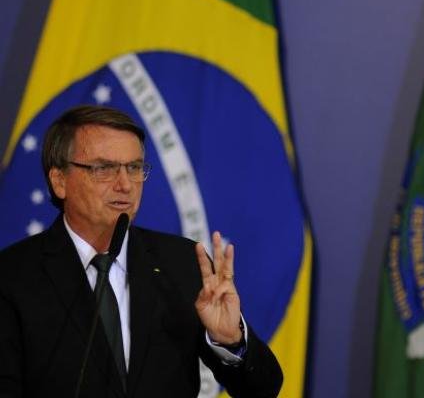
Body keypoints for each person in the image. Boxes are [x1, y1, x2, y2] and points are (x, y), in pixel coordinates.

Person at [0, 105, 283, 397]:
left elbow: (262, 389)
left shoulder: (182, 264)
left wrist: (230, 340)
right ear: (60, 181)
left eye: (134, 168)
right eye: (104, 168)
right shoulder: (12, 277)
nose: (125, 185)